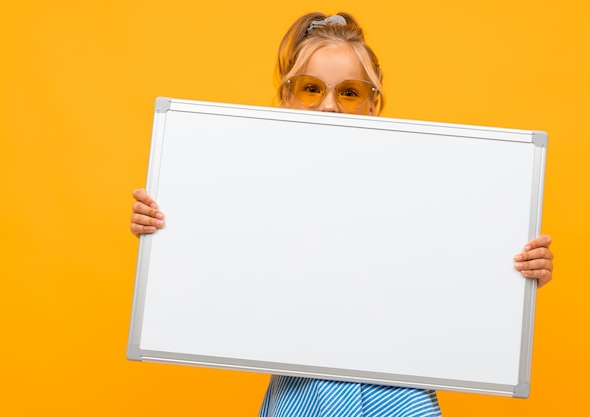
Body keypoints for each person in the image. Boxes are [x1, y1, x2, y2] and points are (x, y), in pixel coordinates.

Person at [130, 12, 554, 417]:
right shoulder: (250, 189)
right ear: (286, 98)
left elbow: (458, 268)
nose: (330, 106)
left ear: (372, 105)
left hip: (396, 393)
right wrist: (165, 234)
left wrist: (520, 272)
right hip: (302, 392)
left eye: (349, 92)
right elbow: (213, 276)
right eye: (312, 89)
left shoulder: (421, 185)